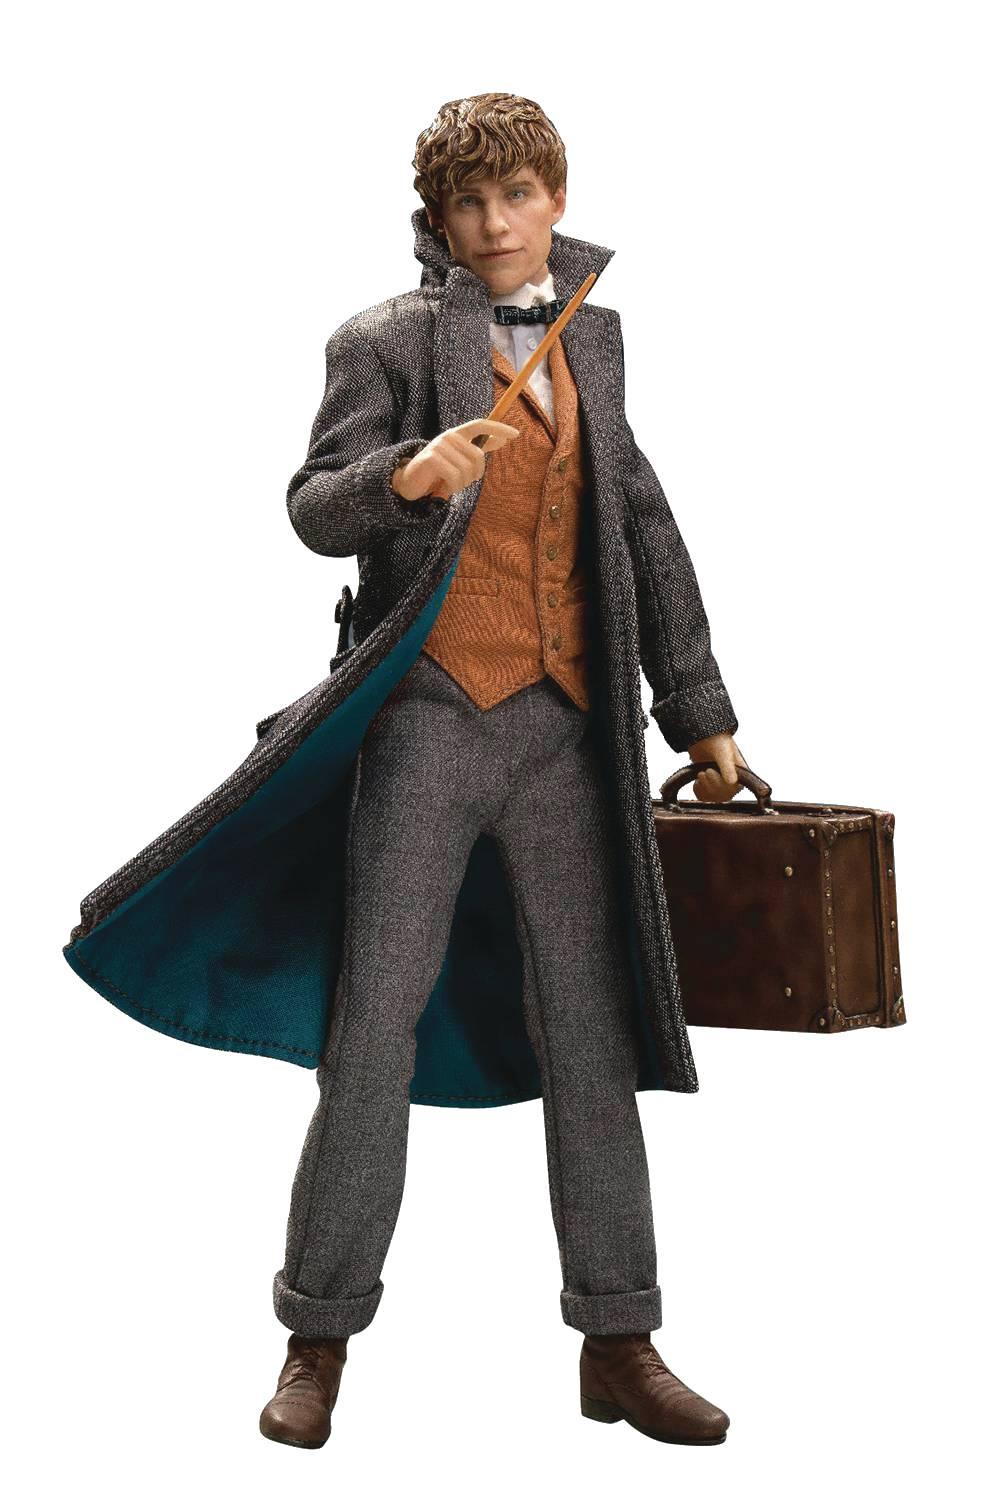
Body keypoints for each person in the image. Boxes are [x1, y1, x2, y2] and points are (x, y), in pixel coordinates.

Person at [258, 92, 746, 1450]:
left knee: (593, 1038)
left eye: (515, 196)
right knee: (372, 1029)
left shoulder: (594, 334)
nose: (493, 224)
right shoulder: (382, 339)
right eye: (467, 203)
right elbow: (312, 504)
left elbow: (638, 520)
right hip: (426, 717)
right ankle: (316, 1335)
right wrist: (407, 477)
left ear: (554, 196)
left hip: (568, 734)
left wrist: (697, 710)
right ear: (439, 217)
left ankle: (620, 1338)